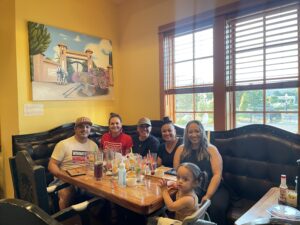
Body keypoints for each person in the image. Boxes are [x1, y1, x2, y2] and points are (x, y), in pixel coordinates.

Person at [173, 120, 229, 225]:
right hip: (190, 189)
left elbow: (217, 175)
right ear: (186, 134)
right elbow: (177, 172)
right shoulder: (180, 149)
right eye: (190, 132)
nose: (194, 135)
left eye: (197, 131)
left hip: (214, 188)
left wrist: (208, 195)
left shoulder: (211, 149)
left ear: (202, 132)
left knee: (216, 207)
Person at [48, 116, 98, 209]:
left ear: (90, 129)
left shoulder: (94, 145)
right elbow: (52, 165)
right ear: (75, 129)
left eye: (87, 127)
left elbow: (97, 165)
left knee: (103, 194)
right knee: (67, 193)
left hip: (86, 180)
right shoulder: (63, 144)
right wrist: (63, 176)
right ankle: (64, 221)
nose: (84, 129)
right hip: (65, 180)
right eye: (81, 127)